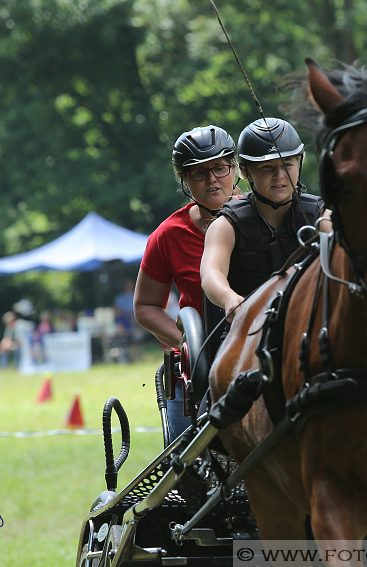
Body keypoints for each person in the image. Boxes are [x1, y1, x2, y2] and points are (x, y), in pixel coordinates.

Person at [135, 124, 238, 441]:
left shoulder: (264, 218)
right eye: (198, 173)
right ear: (183, 180)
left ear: (236, 169)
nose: (212, 180)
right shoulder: (167, 236)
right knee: (185, 460)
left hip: (259, 348)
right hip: (198, 368)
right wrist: (188, 343)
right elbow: (146, 306)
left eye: (220, 168)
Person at [201, 117, 329, 319]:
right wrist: (228, 298)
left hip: (312, 324)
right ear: (246, 172)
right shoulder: (225, 226)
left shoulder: (322, 217)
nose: (279, 175)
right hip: (246, 325)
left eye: (287, 165)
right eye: (267, 167)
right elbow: (211, 273)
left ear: (299, 163)